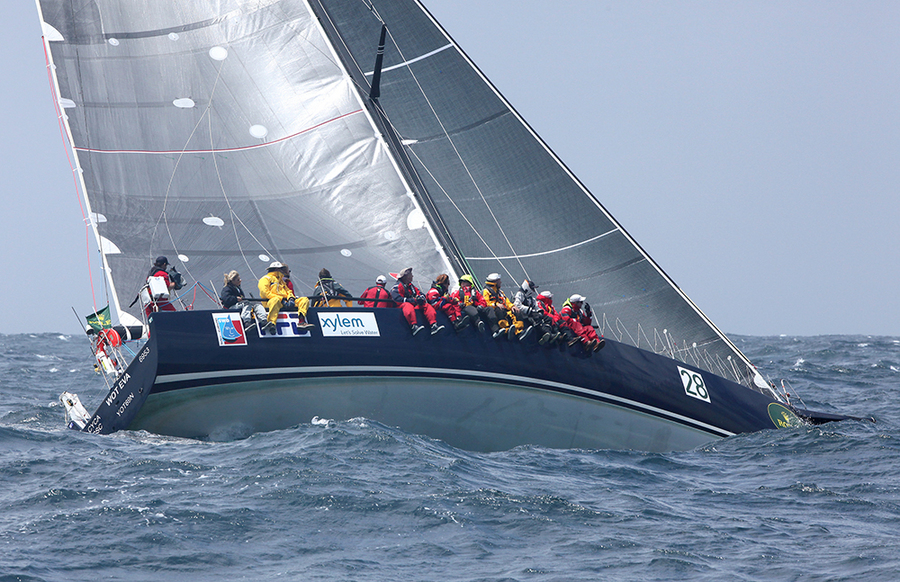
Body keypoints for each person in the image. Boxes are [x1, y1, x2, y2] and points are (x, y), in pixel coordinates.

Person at [258, 261, 313, 334]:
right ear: (276, 269)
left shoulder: (281, 280)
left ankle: (301, 321)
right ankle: (271, 323)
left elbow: (288, 291)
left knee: (304, 299)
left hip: (284, 302)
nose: (282, 271)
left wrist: (291, 298)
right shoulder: (265, 279)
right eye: (280, 269)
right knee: (275, 300)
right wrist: (281, 299)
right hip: (270, 302)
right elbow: (264, 293)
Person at [390, 267, 444, 336]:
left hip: (413, 307)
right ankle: (413, 326)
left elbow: (421, 294)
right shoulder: (397, 286)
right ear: (406, 277)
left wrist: (420, 299)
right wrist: (413, 300)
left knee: (426, 305)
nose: (412, 276)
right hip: (401, 308)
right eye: (411, 275)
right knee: (407, 305)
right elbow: (396, 299)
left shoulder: (411, 286)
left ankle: (433, 325)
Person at [482, 273, 526, 340]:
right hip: (495, 310)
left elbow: (507, 302)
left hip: (505, 310)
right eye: (499, 281)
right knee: (500, 310)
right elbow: (486, 303)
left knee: (517, 311)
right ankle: (505, 330)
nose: (501, 282)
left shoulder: (500, 292)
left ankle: (519, 331)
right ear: (495, 282)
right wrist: (496, 304)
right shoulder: (486, 291)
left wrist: (512, 306)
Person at [513, 279, 556, 345]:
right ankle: (544, 335)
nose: (533, 290)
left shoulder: (530, 298)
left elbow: (536, 306)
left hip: (530, 314)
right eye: (532, 288)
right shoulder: (520, 294)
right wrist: (530, 311)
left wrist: (539, 311)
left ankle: (548, 334)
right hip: (523, 314)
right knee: (536, 319)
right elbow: (517, 305)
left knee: (548, 318)